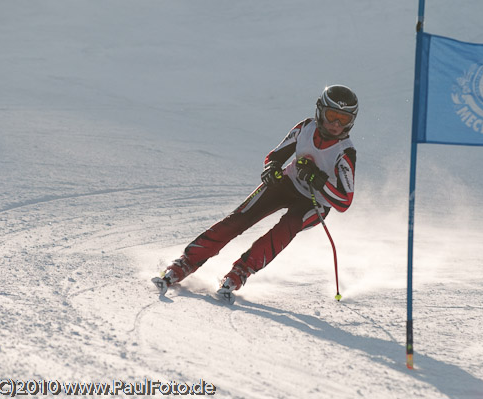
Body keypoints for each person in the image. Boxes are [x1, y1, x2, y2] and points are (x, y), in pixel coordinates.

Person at [152, 85, 358, 302]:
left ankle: (241, 271)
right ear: (320, 111)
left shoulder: (345, 152)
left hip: (315, 202)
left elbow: (344, 201)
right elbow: (275, 156)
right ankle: (186, 262)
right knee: (240, 218)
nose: (336, 124)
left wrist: (317, 179)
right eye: (332, 115)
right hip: (288, 183)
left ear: (351, 121)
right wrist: (272, 169)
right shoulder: (305, 128)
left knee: (286, 227)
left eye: (343, 119)